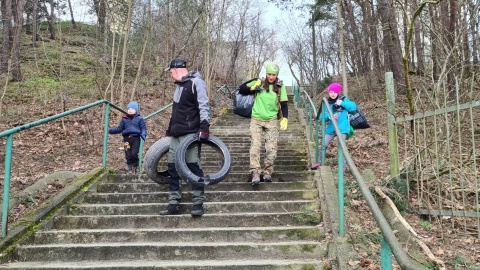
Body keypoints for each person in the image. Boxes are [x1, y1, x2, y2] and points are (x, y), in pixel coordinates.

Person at [159, 57, 210, 217]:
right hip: (176, 134)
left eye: (171, 72)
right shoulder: (179, 86)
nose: (170, 75)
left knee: (192, 167)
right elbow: (176, 111)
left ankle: (198, 203)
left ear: (175, 70)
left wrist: (204, 128)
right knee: (173, 168)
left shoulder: (196, 83)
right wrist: (170, 129)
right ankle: (173, 203)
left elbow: (203, 105)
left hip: (191, 134)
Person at [239, 62, 289, 185]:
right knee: (255, 146)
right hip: (256, 119)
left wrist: (285, 118)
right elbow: (241, 89)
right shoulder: (259, 83)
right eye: (269, 74)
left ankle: (267, 172)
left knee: (271, 148)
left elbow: (284, 104)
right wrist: (252, 87)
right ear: (266, 74)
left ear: (277, 75)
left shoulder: (280, 87)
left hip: (271, 120)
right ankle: (255, 171)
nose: (271, 77)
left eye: (273, 74)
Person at [314, 82, 356, 171]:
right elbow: (321, 117)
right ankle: (319, 162)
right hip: (331, 128)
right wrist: (329, 117)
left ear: (338, 92)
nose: (332, 94)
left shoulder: (343, 100)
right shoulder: (328, 103)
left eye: (334, 92)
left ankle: (344, 166)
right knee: (323, 143)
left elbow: (353, 108)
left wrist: (342, 103)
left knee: (341, 146)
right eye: (330, 92)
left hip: (342, 128)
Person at [108, 101, 147, 174]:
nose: (130, 110)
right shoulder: (124, 119)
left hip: (136, 139)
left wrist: (143, 135)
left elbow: (143, 128)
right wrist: (110, 131)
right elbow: (119, 128)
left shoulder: (140, 119)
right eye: (129, 108)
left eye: (132, 109)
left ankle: (136, 165)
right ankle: (130, 166)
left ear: (136, 110)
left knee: (134, 153)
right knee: (128, 154)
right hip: (126, 139)